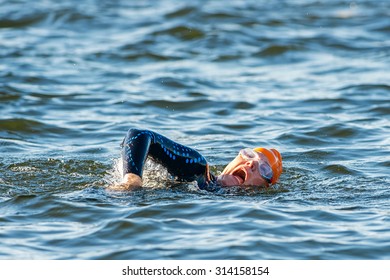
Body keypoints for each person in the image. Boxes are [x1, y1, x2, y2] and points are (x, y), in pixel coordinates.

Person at [117, 128, 282, 191]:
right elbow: (140, 135)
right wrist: (132, 180)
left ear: (264, 188)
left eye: (264, 169)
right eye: (249, 155)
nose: (252, 163)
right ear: (232, 161)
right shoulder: (197, 170)